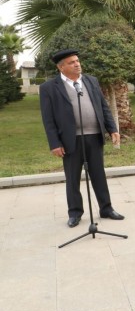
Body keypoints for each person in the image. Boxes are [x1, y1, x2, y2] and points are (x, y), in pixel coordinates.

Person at [40, 49, 125, 228]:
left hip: (94, 136)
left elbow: (103, 107)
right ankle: (75, 213)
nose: (77, 64)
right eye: (72, 62)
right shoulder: (49, 88)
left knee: (98, 174)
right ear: (61, 67)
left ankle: (106, 208)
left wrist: (112, 129)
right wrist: (54, 143)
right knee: (72, 178)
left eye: (77, 61)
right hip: (70, 140)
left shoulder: (90, 81)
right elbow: (48, 119)